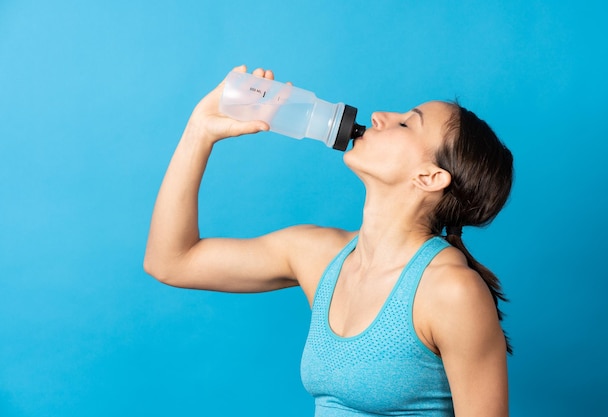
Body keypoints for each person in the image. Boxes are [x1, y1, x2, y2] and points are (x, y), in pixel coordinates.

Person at [144, 65, 513, 417]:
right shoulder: (317, 255)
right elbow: (171, 262)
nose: (381, 115)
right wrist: (199, 131)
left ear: (429, 177)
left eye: (405, 122)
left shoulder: (451, 291)